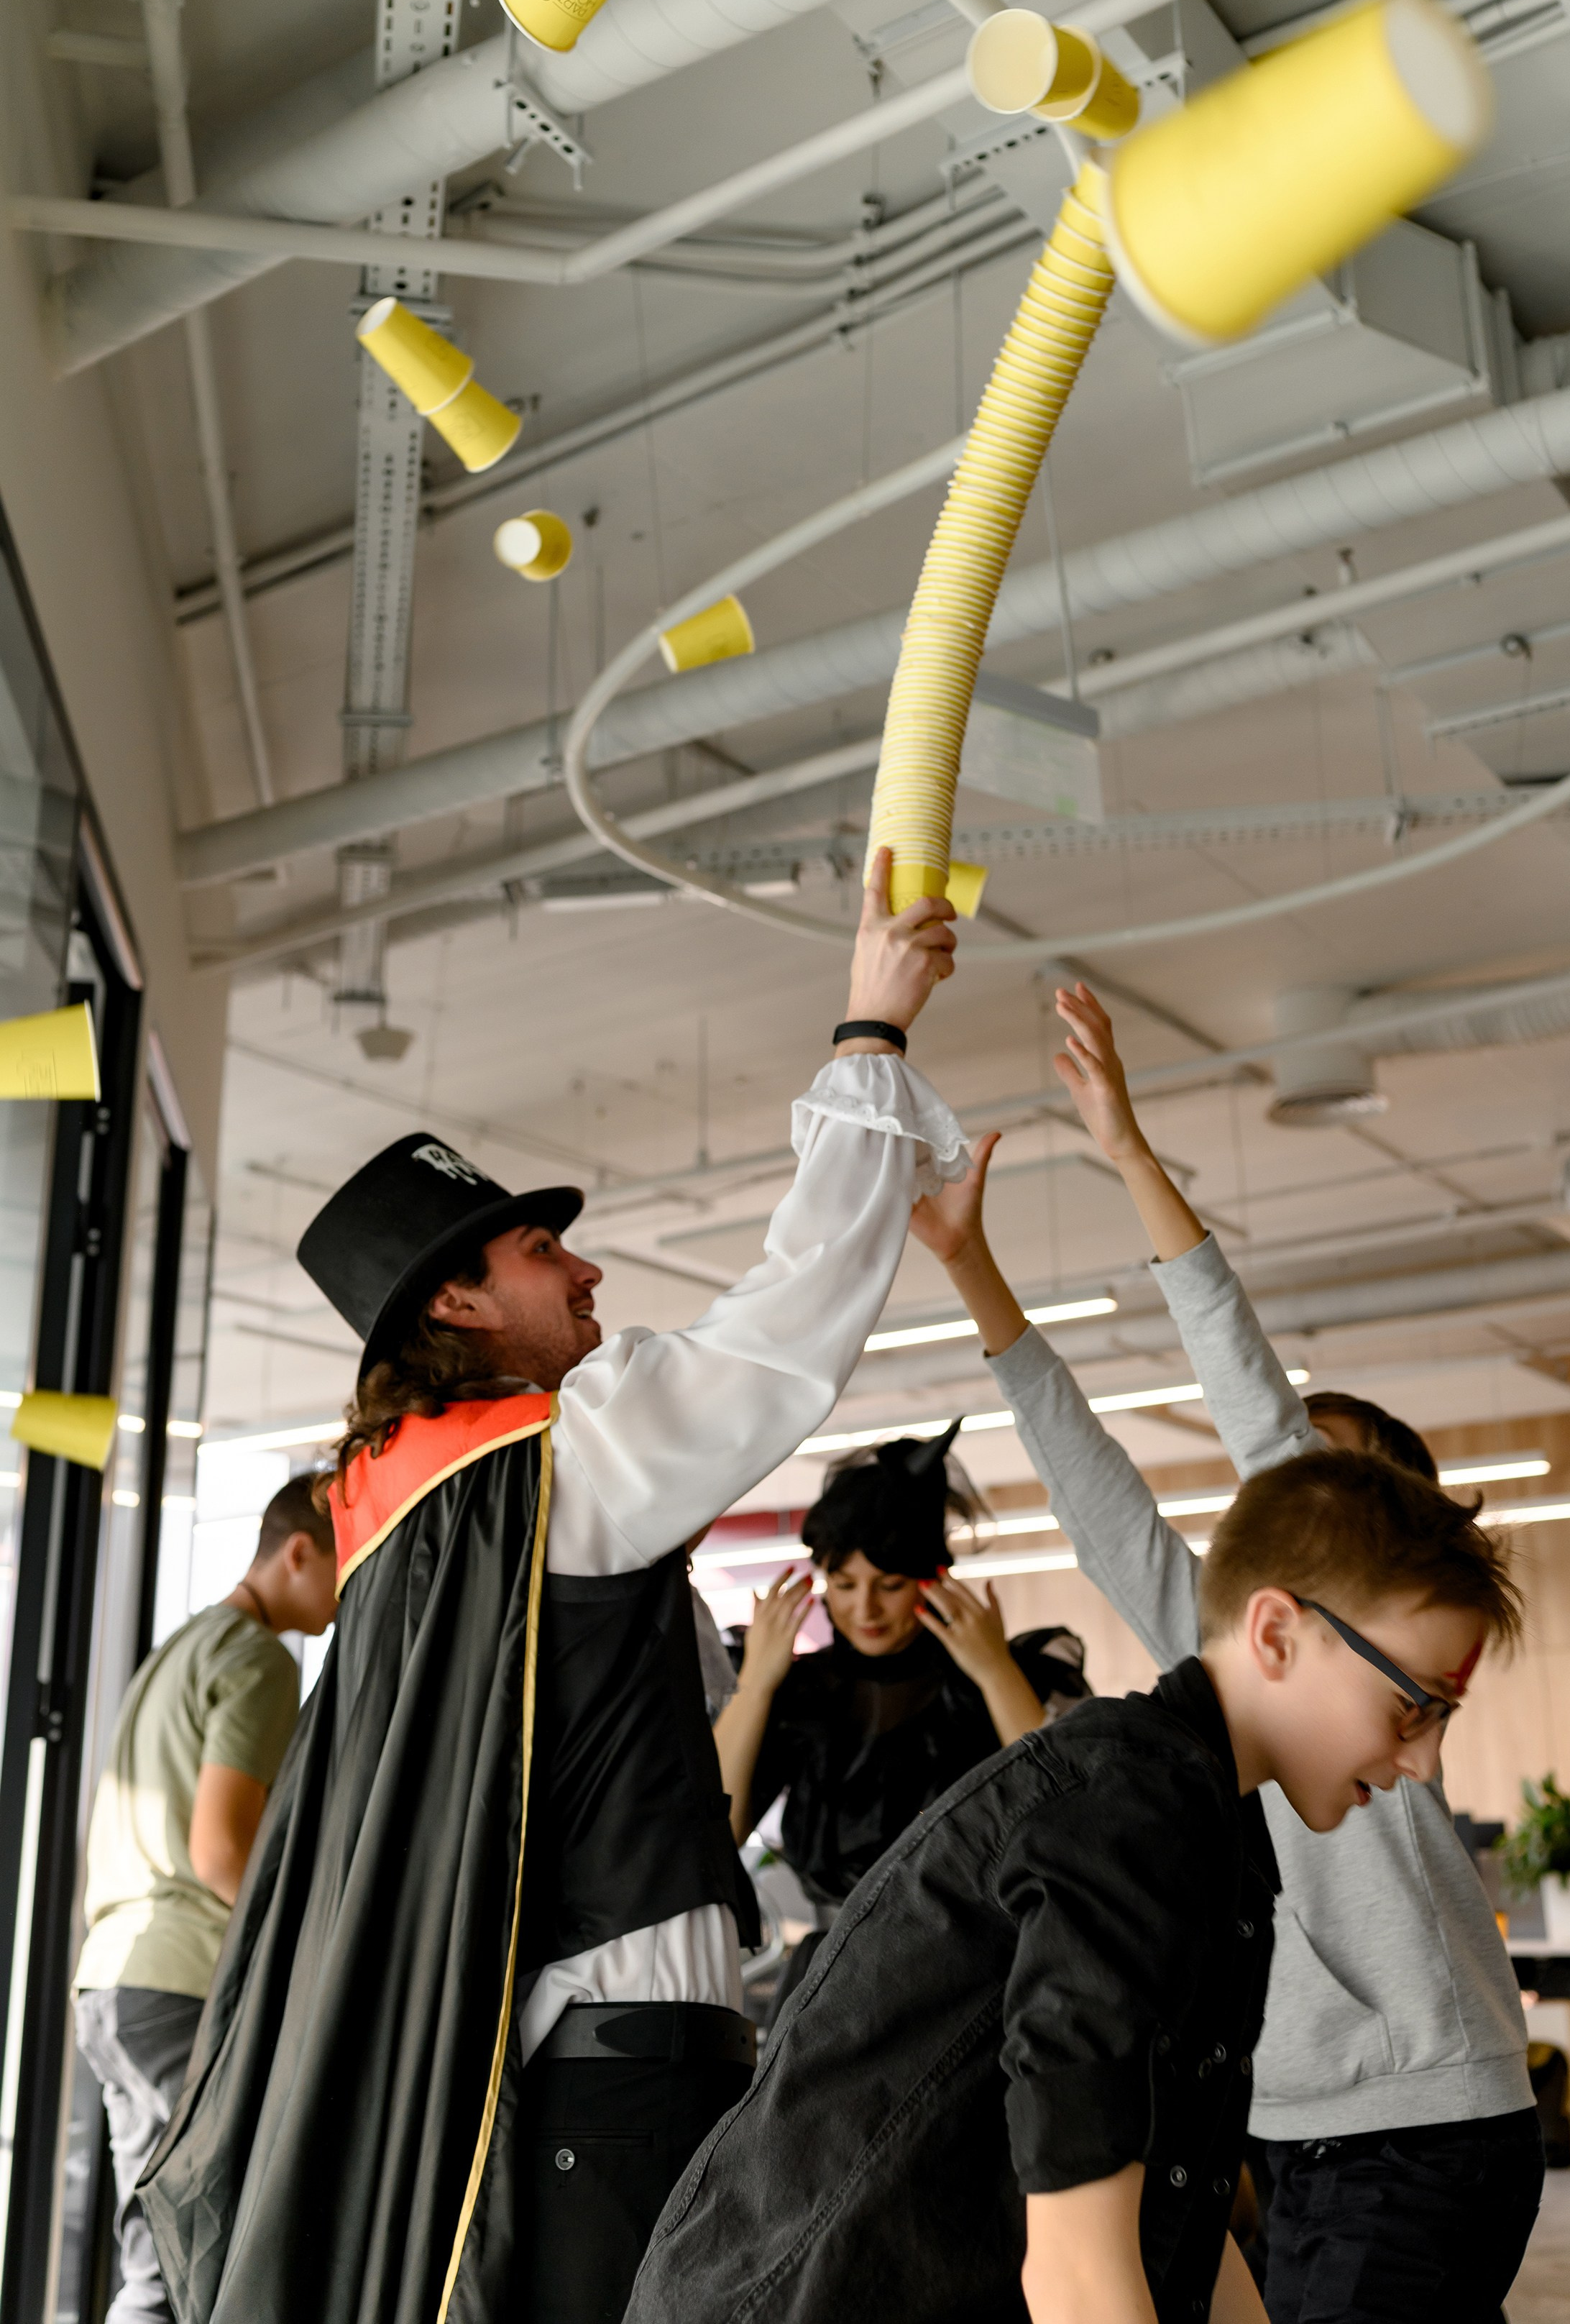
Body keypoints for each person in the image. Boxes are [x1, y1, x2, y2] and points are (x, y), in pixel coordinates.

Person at [139, 851, 966, 2324]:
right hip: (623, 2055)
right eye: (542, 1249)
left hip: (565, 2057)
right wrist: (868, 1038)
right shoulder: (543, 1468)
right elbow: (780, 1337)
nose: (586, 1270)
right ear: (458, 1301)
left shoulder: (407, 1522)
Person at [910, 980, 1546, 2324]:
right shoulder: (1240, 1660)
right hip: (1305, 2131)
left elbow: (1256, 1409)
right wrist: (975, 1274)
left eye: (1326, 1485)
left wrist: (1132, 1153)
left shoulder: (1385, 1702)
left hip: (1418, 2124)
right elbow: (1102, 1511)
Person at [625, 1445, 1522, 2324]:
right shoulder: (1129, 1813)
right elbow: (1079, 2272)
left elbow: (1180, 2214)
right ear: (1278, 1633)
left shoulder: (1211, 1817)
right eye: (1414, 1703)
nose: (1425, 1760)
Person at [73, 1473, 338, 2324]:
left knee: (158, 2251)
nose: (346, 1591)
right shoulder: (257, 1660)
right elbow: (223, 1849)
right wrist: (310, 1945)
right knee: (212, 2247)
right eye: (344, 1562)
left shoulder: (178, 1651)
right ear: (298, 1552)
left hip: (113, 1983)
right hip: (182, 1981)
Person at [714, 1424, 1087, 2008]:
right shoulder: (798, 1696)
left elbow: (1069, 1819)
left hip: (977, 1977)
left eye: (888, 1585)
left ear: (930, 1576)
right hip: (830, 1986)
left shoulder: (1007, 1677)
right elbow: (715, 1832)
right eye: (843, 1583)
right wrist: (755, 1687)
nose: (864, 1609)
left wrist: (995, 1673)